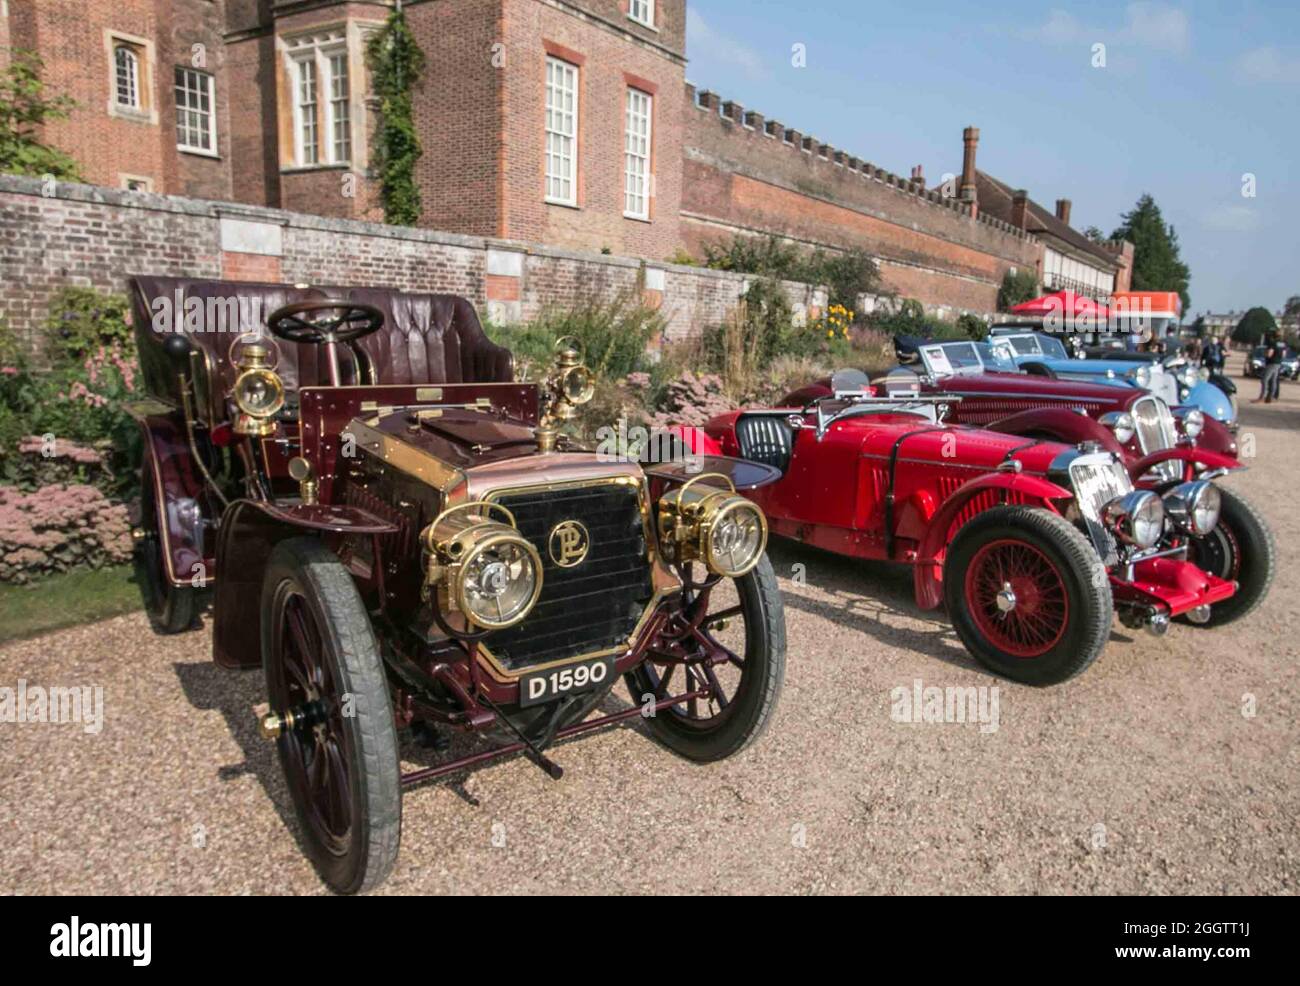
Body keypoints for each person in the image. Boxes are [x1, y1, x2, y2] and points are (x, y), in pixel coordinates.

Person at [1253, 332, 1282, 404]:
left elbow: (1269, 354)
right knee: (1273, 380)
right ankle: (1271, 397)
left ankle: (1262, 397)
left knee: (1264, 379)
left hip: (1271, 363)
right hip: (1278, 363)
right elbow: (1284, 354)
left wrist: (1265, 354)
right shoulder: (1282, 344)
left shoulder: (1272, 344)